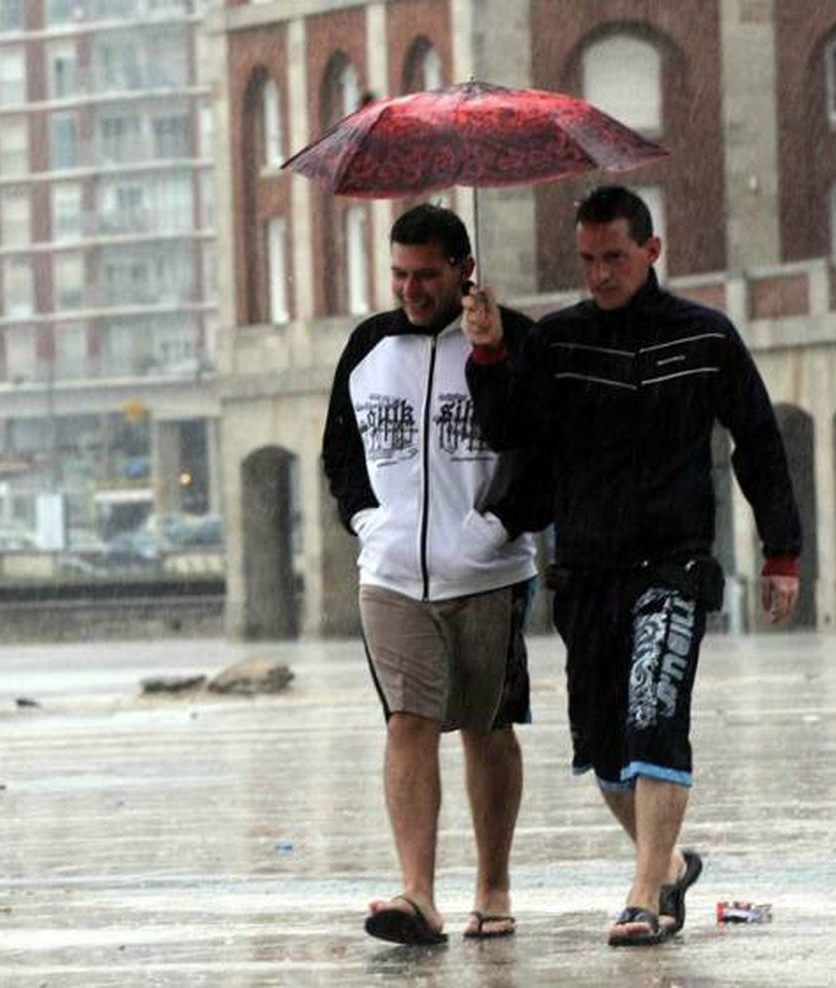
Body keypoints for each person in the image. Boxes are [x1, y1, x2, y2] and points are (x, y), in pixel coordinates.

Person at [462, 185, 802, 947]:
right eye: (588, 260)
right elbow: (506, 427)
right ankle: (671, 864)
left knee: (656, 712)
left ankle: (646, 894)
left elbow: (758, 440)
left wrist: (781, 550)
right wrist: (487, 349)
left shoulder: (705, 337)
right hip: (584, 569)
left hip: (673, 562)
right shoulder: (559, 342)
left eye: (614, 257)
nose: (601, 274)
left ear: (652, 251)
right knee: (605, 748)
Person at [321, 203, 549, 946]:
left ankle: (494, 885)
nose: (411, 290)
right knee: (408, 722)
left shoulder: (517, 340)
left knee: (487, 729)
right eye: (399, 274)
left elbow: (538, 449)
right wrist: (366, 521)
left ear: (463, 270)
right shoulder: (366, 346)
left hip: (487, 572)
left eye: (426, 275)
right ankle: (417, 893)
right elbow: (340, 454)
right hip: (389, 574)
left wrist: (491, 355)